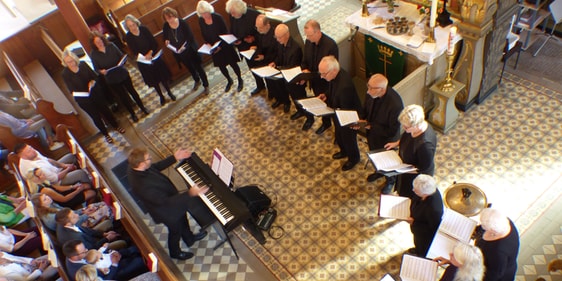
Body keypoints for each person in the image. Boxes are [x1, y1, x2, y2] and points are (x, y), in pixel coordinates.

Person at [127, 147, 208, 260]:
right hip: (166, 212)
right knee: (175, 231)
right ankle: (175, 252)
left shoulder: (137, 167)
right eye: (148, 158)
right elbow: (165, 202)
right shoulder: (142, 186)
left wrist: (175, 157)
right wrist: (190, 193)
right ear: (141, 164)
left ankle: (189, 238)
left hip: (172, 201)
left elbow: (155, 167)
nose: (151, 159)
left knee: (183, 220)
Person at [61, 50, 125, 143]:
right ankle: (106, 134)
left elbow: (95, 76)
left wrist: (92, 82)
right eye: (68, 62)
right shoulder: (65, 74)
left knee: (105, 110)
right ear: (65, 63)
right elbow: (71, 89)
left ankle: (116, 126)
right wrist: (83, 91)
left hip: (95, 93)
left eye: (72, 61)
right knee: (95, 117)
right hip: (84, 100)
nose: (71, 64)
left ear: (75, 59)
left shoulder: (82, 65)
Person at [353, 74, 404, 183]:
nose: (368, 91)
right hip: (372, 135)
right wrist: (360, 120)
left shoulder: (395, 105)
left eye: (371, 88)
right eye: (368, 86)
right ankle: (379, 172)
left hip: (386, 140)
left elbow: (391, 131)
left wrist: (371, 126)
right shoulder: (371, 94)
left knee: (387, 162)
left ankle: (390, 180)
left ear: (381, 89)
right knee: (375, 156)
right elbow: (365, 109)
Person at [89, 31, 148, 122]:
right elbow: (96, 69)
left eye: (100, 41)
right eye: (97, 42)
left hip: (122, 73)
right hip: (111, 78)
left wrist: (122, 62)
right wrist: (101, 71)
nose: (99, 43)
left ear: (102, 39)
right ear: (94, 44)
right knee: (123, 97)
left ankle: (143, 108)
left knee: (132, 91)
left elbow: (121, 56)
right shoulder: (94, 54)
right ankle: (132, 114)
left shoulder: (111, 46)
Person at [317, 56, 362, 171]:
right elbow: (332, 89)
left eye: (324, 74)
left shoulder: (344, 86)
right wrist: (326, 95)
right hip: (338, 113)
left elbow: (345, 109)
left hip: (347, 117)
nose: (321, 77)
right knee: (339, 135)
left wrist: (328, 109)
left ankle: (353, 158)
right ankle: (344, 151)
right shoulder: (334, 76)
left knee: (348, 139)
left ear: (334, 71)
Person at [384, 104, 437, 196]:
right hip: (404, 168)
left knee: (407, 193)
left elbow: (422, 168)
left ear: (417, 125)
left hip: (414, 176)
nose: (404, 128)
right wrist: (397, 143)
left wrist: (399, 169)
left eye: (406, 127)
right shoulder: (413, 129)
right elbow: (407, 137)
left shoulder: (425, 146)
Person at [124, 15, 175, 106]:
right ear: (127, 27)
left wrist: (150, 53)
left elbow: (153, 42)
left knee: (162, 76)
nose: (133, 27)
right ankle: (161, 96)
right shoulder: (128, 37)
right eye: (130, 26)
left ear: (136, 22)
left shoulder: (144, 29)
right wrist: (145, 56)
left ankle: (169, 92)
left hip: (153, 55)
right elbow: (134, 50)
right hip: (143, 60)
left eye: (133, 24)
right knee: (154, 80)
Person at [301, 20, 339, 134]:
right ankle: (326, 123)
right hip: (314, 81)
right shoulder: (308, 42)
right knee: (321, 105)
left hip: (327, 84)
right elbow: (305, 59)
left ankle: (338, 132)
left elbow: (332, 70)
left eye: (309, 35)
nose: (307, 38)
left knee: (331, 107)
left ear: (317, 32)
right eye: (306, 35)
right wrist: (304, 69)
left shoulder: (330, 46)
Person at [197, 0, 244, 93]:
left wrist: (220, 46)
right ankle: (229, 80)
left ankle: (239, 79)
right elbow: (203, 34)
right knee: (221, 66)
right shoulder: (201, 20)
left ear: (209, 10)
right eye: (202, 14)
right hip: (214, 48)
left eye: (206, 13)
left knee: (233, 63)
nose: (205, 15)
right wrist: (209, 44)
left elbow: (225, 32)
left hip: (225, 45)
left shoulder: (217, 17)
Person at [162, 7, 210, 95]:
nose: (170, 20)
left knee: (198, 67)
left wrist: (184, 47)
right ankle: (196, 80)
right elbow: (165, 37)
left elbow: (190, 37)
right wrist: (166, 40)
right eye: (167, 19)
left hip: (190, 49)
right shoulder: (166, 26)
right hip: (179, 52)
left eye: (171, 17)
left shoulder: (182, 23)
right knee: (190, 68)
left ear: (174, 15)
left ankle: (206, 85)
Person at [16, 143, 91, 192]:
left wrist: (63, 165)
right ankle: (91, 187)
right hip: (56, 183)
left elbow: (48, 160)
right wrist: (68, 168)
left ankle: (82, 181)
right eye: (29, 151)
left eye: (31, 148)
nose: (32, 150)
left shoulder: (32, 153)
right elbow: (56, 179)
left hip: (54, 170)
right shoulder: (35, 168)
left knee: (70, 157)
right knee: (80, 173)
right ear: (23, 156)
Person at [226, 0, 262, 95]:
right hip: (243, 48)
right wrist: (234, 40)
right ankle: (260, 85)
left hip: (256, 46)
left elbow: (263, 32)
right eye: (231, 13)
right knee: (252, 67)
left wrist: (254, 38)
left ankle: (271, 88)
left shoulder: (254, 15)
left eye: (233, 13)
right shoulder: (232, 15)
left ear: (240, 10)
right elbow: (233, 30)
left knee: (262, 66)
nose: (232, 15)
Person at [63, 240, 147, 281]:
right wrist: (114, 264)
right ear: (74, 256)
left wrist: (110, 253)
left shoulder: (72, 255)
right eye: (84, 251)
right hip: (113, 274)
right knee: (138, 262)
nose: (87, 250)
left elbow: (94, 253)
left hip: (106, 259)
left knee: (129, 250)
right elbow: (107, 279)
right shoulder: (81, 273)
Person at [475, 208, 520, 281]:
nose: (482, 226)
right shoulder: (503, 220)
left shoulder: (499, 252)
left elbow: (493, 275)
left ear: (493, 231)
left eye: (483, 225)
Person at [31, 193, 113, 232]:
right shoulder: (52, 217)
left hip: (75, 217)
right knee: (105, 209)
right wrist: (85, 214)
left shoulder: (50, 204)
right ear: (41, 205)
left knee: (94, 206)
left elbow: (70, 212)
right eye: (45, 199)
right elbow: (72, 223)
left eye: (46, 196)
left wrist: (83, 211)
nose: (48, 198)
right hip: (78, 226)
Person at [405, 174, 443, 257]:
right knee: (417, 241)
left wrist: (414, 222)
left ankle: (420, 254)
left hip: (424, 236)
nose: (413, 190)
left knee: (422, 247)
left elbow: (432, 229)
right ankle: (417, 249)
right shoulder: (428, 191)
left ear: (425, 194)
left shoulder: (434, 210)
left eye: (416, 190)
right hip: (417, 229)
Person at [269, 24, 304, 114]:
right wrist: (275, 62)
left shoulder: (295, 48)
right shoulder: (281, 43)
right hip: (285, 76)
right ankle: (299, 111)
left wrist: (280, 69)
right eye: (276, 37)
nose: (277, 39)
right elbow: (279, 56)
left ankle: (306, 115)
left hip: (294, 79)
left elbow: (292, 66)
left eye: (279, 37)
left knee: (299, 97)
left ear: (287, 35)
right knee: (292, 96)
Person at [55, 208, 124, 251]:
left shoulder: (61, 222)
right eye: (73, 216)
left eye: (74, 213)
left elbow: (85, 229)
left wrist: (103, 234)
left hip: (89, 237)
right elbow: (93, 248)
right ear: (68, 224)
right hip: (94, 248)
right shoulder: (76, 237)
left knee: (107, 223)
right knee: (122, 243)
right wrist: (107, 239)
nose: (77, 215)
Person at [27, 167, 97, 207]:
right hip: (65, 202)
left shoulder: (43, 182)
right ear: (36, 179)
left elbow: (58, 188)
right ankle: (89, 207)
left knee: (87, 185)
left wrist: (72, 187)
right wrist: (77, 191)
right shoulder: (45, 191)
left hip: (62, 194)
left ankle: (86, 199)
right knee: (92, 193)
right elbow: (64, 199)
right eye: (41, 174)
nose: (43, 174)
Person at [253, 14, 278, 97]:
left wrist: (264, 57)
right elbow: (260, 45)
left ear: (267, 25)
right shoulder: (260, 33)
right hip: (264, 62)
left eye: (260, 27)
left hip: (274, 62)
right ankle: (273, 94)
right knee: (268, 81)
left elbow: (277, 52)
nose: (258, 30)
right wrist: (257, 50)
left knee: (277, 84)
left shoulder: (275, 35)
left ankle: (283, 100)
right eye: (257, 27)